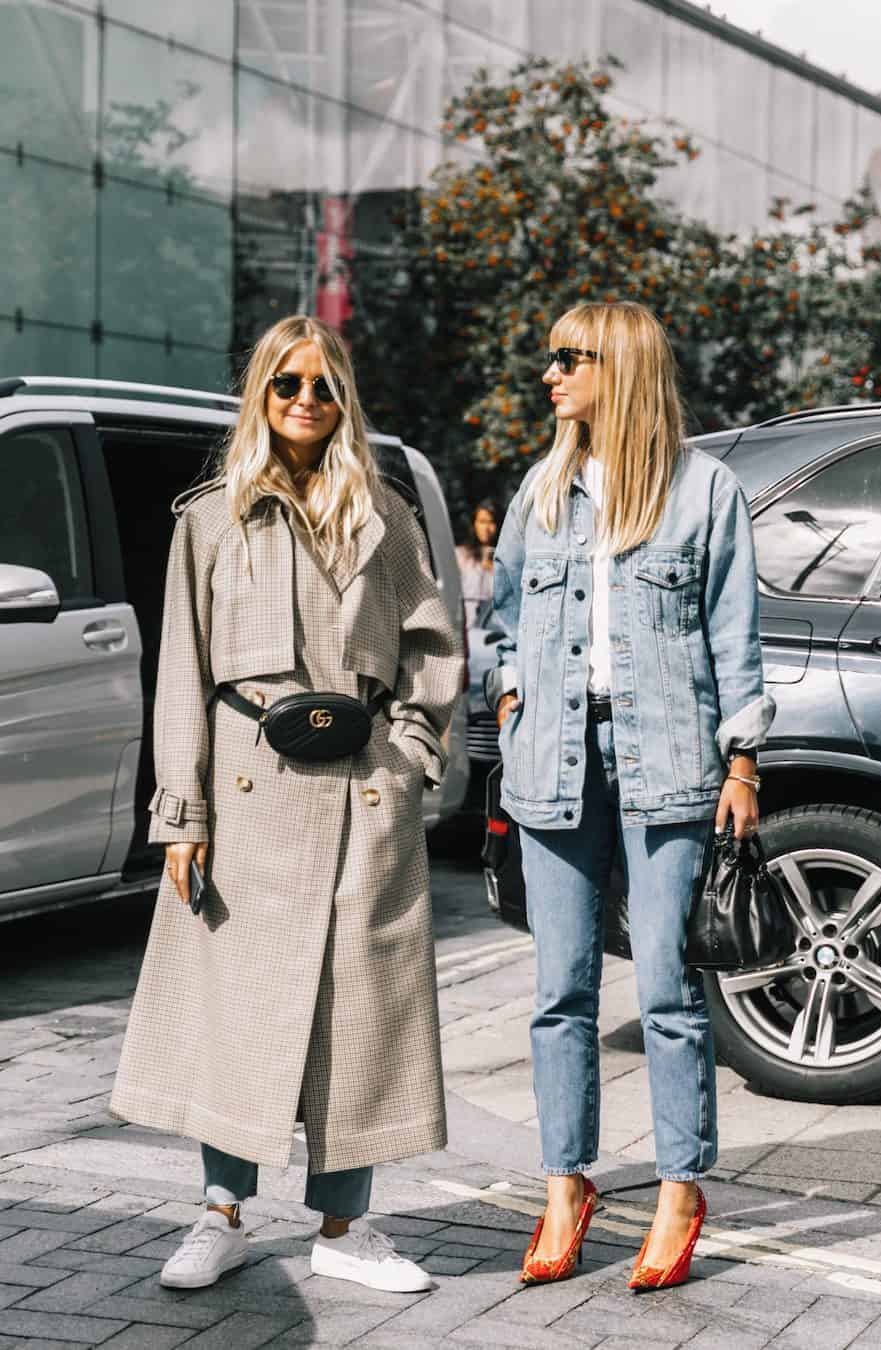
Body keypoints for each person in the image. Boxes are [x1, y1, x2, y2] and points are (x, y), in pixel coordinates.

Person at [110, 315, 463, 1294]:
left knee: (362, 1017)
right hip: (247, 792)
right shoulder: (211, 519)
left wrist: (412, 758)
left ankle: (346, 1230)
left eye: (324, 387)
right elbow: (179, 673)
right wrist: (181, 814)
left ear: (342, 401)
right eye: (288, 385)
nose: (307, 401)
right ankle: (219, 1217)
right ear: (262, 396)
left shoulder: (383, 515)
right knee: (237, 1014)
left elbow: (436, 652)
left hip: (363, 797)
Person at [485, 301, 774, 1291]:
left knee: (666, 989)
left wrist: (744, 762)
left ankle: (680, 1186)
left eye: (569, 358)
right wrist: (509, 686)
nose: (550, 374)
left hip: (671, 758)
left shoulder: (704, 492)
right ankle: (567, 1183)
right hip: (553, 756)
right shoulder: (543, 487)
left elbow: (734, 637)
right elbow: (499, 616)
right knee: (559, 992)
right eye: (550, 355)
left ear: (624, 365)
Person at [456, 499, 502, 630]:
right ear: (474, 524)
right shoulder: (460, 555)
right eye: (482, 522)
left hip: (494, 631)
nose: (486, 528)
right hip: (465, 628)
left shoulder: (505, 559)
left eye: (491, 522)